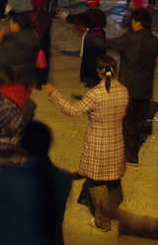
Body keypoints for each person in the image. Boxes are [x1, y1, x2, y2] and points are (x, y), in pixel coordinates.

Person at [45, 55, 129, 232]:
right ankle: (113, 213)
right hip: (117, 143)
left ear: (99, 72)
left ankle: (102, 222)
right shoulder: (123, 90)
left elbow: (73, 111)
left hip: (98, 145)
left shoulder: (95, 94)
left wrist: (54, 94)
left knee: (97, 183)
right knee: (114, 181)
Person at [106, 8, 158, 165]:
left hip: (129, 87)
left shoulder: (129, 39)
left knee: (128, 123)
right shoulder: (156, 42)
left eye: (132, 20)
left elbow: (109, 44)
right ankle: (131, 149)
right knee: (137, 122)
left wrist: (92, 35)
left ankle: (130, 156)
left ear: (137, 22)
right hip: (145, 88)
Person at [67, 0, 107, 87]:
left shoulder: (86, 14)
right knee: (99, 58)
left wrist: (67, 15)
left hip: (90, 38)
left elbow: (74, 19)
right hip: (101, 36)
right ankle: (99, 78)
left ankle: (90, 80)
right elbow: (104, 24)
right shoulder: (101, 14)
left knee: (89, 59)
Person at [28, 0, 53, 90]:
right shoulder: (47, 15)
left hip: (34, 41)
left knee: (34, 60)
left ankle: (35, 80)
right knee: (44, 60)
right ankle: (43, 79)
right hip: (44, 42)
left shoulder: (31, 15)